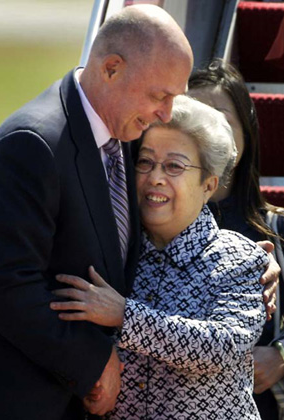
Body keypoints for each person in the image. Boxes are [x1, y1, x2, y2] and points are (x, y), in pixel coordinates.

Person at [0, 5, 193, 420]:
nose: (166, 113)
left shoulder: (128, 129)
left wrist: (245, 253)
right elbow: (7, 286)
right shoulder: (32, 144)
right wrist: (93, 365)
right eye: (160, 95)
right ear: (111, 69)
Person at [51, 94, 270, 419]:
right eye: (145, 162)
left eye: (174, 166)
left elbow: (225, 346)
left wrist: (125, 315)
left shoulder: (239, 258)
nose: (155, 177)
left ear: (208, 184)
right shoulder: (115, 251)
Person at [187, 58, 284, 419]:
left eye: (221, 118)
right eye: (194, 117)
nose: (209, 131)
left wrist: (281, 356)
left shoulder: (278, 228)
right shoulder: (153, 224)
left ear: (247, 129)